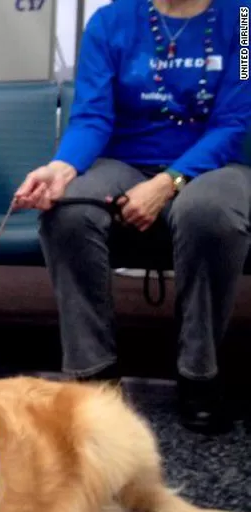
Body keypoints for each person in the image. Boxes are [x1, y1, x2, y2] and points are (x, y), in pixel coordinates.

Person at [14, 0, 251, 434]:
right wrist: (62, 168)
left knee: (208, 213)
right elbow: (91, 116)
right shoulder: (109, 22)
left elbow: (235, 121)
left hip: (213, 165)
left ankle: (199, 375)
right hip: (123, 161)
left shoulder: (244, 20)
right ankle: (94, 377)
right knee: (65, 211)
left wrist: (168, 182)